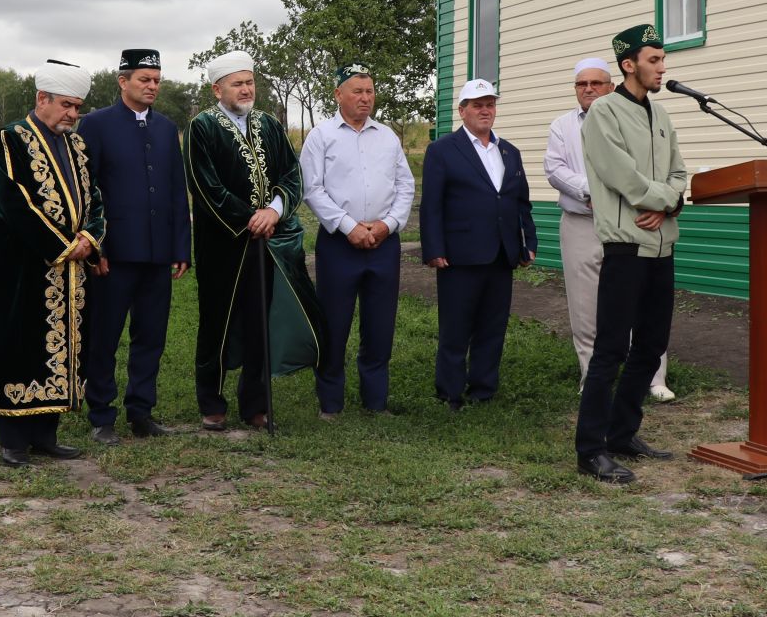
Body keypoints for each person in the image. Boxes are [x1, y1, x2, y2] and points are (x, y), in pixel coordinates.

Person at [184, 52, 323, 431]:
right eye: (237, 83)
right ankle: (211, 403)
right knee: (218, 322)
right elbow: (206, 187)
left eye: (249, 82)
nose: (246, 89)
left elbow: (292, 175)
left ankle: (255, 404)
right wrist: (250, 217)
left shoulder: (269, 125)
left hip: (269, 243)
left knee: (261, 320)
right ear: (217, 89)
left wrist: (274, 211)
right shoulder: (202, 127)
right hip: (223, 247)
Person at [575, 24, 689, 483]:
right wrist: (664, 199)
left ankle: (623, 432)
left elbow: (679, 173)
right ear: (629, 65)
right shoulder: (604, 112)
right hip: (626, 246)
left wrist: (670, 203)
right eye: (655, 60)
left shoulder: (661, 116)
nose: (663, 67)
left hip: (662, 245)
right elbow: (625, 179)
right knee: (610, 349)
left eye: (663, 59)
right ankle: (590, 449)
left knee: (651, 345)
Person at [0, 60, 107, 467]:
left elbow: (95, 198)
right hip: (22, 266)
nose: (73, 114)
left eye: (78, 107)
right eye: (67, 105)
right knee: (21, 342)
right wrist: (62, 245)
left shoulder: (76, 145)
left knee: (63, 346)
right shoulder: (10, 139)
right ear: (42, 99)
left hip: (71, 269)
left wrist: (90, 237)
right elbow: (14, 203)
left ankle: (46, 435)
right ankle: (14, 440)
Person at [78, 49, 189, 444]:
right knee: (105, 335)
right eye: (144, 79)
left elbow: (177, 192)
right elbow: (86, 190)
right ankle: (102, 415)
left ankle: (141, 411)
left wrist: (180, 248)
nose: (152, 86)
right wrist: (96, 247)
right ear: (122, 81)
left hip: (158, 254)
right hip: (114, 255)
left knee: (151, 336)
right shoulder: (95, 125)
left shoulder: (166, 128)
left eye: (157, 80)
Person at [545, 59, 673, 402]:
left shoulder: (635, 119)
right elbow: (555, 169)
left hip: (633, 222)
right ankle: (593, 375)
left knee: (642, 301)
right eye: (581, 84)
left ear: (611, 85)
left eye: (596, 83)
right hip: (582, 224)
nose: (588, 89)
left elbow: (649, 170)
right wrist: (594, 191)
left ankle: (653, 377)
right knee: (585, 306)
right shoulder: (562, 126)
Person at [300, 62, 415, 418]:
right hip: (339, 244)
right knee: (334, 323)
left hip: (383, 243)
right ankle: (331, 403)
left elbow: (405, 185)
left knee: (380, 325)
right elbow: (312, 189)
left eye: (369, 92)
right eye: (357, 92)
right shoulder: (321, 136)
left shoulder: (387, 136)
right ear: (338, 95)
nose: (365, 99)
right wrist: (349, 226)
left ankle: (375, 401)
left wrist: (387, 224)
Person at [419, 79, 536, 411]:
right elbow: (432, 206)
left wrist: (527, 242)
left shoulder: (508, 151)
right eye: (477, 105)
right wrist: (434, 249)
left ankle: (483, 389)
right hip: (459, 256)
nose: (485, 110)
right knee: (456, 328)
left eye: (490, 104)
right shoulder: (442, 150)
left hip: (501, 254)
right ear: (462, 111)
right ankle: (450, 392)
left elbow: (520, 202)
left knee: (492, 326)